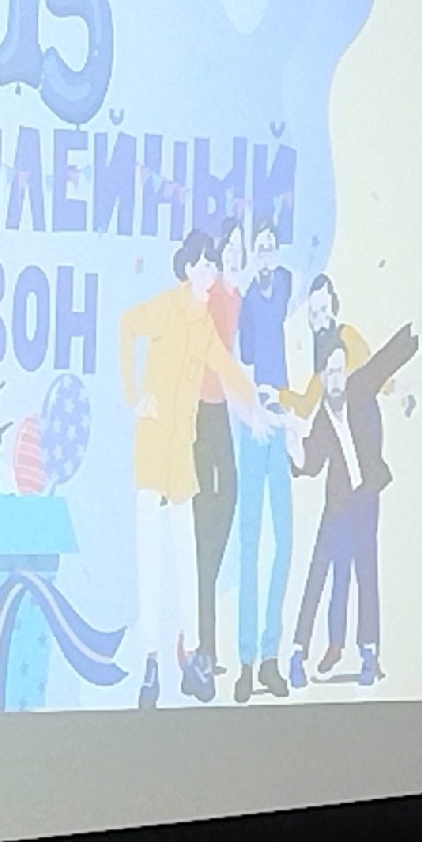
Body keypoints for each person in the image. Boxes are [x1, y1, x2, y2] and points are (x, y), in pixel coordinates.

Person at [119, 230, 269, 708]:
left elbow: (226, 366)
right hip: (152, 453)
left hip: (181, 456)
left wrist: (257, 409)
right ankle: (150, 662)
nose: (211, 272)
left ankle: (193, 660)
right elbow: (127, 325)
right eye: (204, 264)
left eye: (213, 265)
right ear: (188, 269)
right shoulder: (166, 308)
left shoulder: (202, 325)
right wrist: (134, 395)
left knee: (187, 558)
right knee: (150, 558)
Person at [290, 321, 422, 687]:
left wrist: (416, 330)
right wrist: (293, 446)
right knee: (318, 571)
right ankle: (298, 652)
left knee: (366, 569)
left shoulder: (360, 386)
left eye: (340, 369)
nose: (336, 378)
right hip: (337, 503)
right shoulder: (320, 419)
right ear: (321, 377)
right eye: (330, 372)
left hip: (365, 496)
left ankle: (368, 652)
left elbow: (386, 360)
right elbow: (310, 464)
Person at [229, 218, 295, 700]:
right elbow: (246, 355)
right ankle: (247, 662)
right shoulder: (246, 300)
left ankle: (271, 656)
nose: (267, 254)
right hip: (254, 421)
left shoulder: (285, 284)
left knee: (284, 537)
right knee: (249, 542)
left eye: (272, 246)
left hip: (282, 416)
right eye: (261, 248)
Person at [187, 215, 248, 698]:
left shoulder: (236, 297)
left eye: (235, 249)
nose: (231, 255)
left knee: (227, 499)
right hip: (198, 410)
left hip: (219, 408)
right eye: (228, 247)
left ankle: (204, 641)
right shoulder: (208, 298)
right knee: (204, 511)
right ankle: (201, 648)